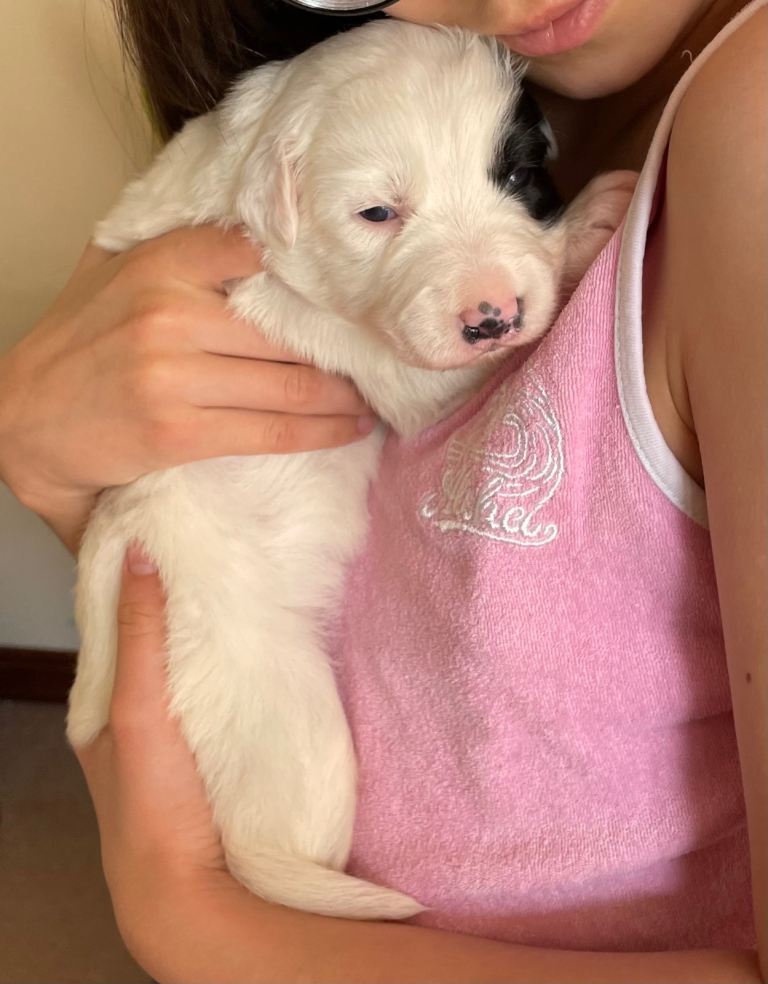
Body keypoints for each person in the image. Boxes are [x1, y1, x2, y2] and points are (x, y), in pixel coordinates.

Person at [0, 0, 765, 980]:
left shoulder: (745, 133)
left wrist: (191, 918)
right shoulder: (382, 89)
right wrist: (50, 459)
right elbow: (332, 565)